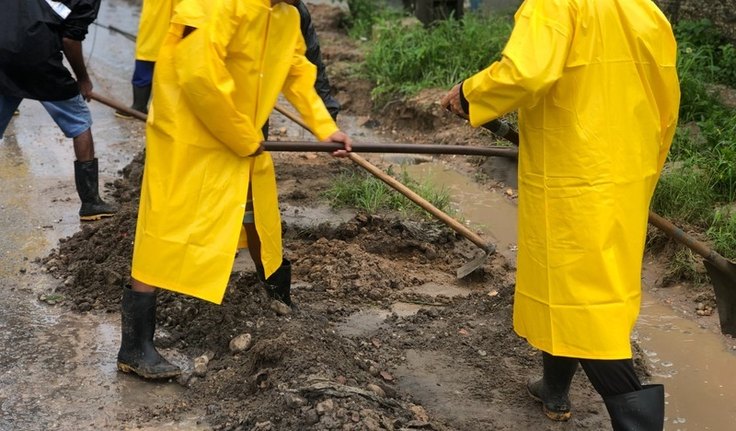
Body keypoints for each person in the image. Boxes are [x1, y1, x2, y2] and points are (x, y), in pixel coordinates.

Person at [441, 1, 680, 430]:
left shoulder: (554, 3)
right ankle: (554, 389)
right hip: (625, 173)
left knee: (584, 303)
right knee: (572, 285)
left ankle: (638, 422)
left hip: (574, 179)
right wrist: (646, 170)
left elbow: (526, 72)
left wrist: (469, 94)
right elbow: (668, 104)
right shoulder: (644, 9)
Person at [116, 0, 352, 380]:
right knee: (163, 231)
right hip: (189, 136)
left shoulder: (286, 16)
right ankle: (134, 348)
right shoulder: (216, 4)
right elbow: (197, 74)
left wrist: (325, 128)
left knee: (259, 211)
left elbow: (296, 72)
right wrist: (243, 136)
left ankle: (279, 299)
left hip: (239, 136)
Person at [247, 0, 341, 307]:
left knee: (256, 205)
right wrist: (237, 133)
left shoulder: (292, 12)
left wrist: (327, 124)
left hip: (250, 125)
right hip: (209, 127)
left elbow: (302, 67)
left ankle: (274, 290)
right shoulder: (224, 7)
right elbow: (200, 76)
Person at [0, 0, 117, 222]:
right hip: (37, 57)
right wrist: (83, 80)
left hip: (2, 50)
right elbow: (70, 39)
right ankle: (91, 203)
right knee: (80, 121)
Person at [116, 0, 179, 117]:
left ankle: (155, 110)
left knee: (165, 76)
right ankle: (140, 106)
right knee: (146, 66)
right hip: (152, 29)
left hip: (168, 32)